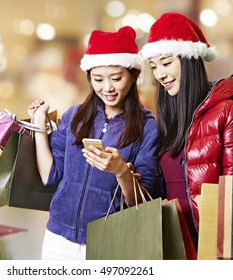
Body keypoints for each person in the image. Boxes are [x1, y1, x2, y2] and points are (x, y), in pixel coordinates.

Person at [27, 26, 158, 260]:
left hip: (108, 242)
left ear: (134, 75)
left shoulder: (147, 127)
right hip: (57, 239)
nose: (107, 88)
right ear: (89, 77)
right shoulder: (74, 116)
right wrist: (39, 125)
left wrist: (120, 171)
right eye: (98, 79)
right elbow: (50, 176)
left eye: (116, 78)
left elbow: (143, 201)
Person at [139, 12, 233, 251]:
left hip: (211, 246)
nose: (160, 74)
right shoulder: (167, 117)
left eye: (166, 63)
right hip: (171, 244)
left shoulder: (229, 112)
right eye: (154, 67)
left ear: (189, 60)